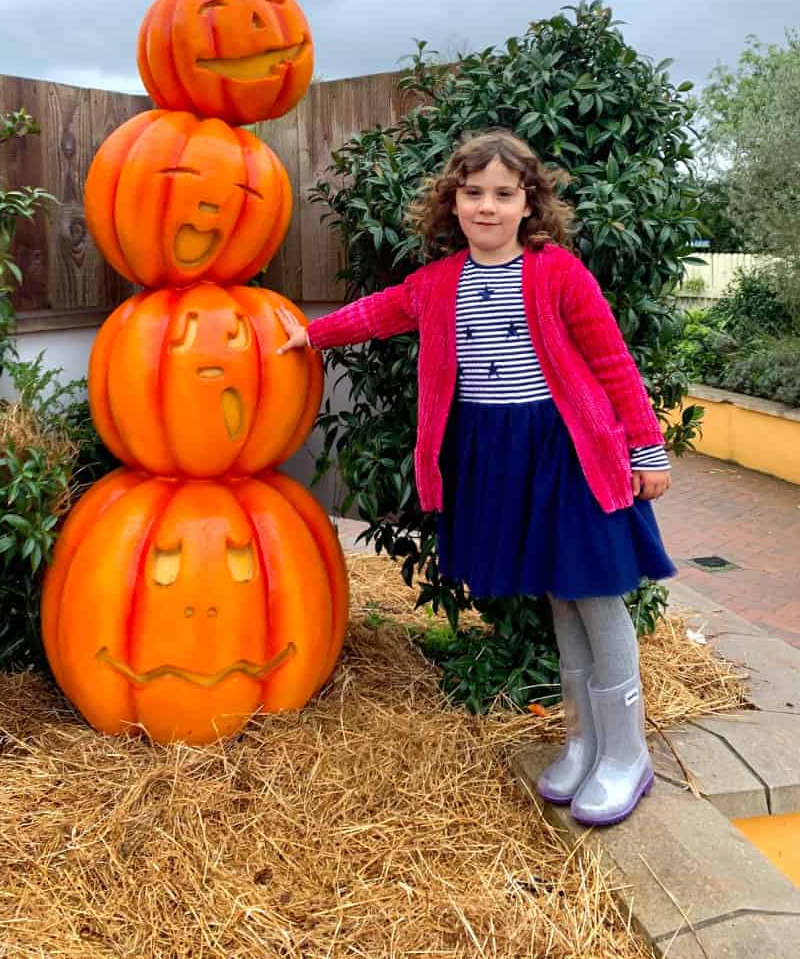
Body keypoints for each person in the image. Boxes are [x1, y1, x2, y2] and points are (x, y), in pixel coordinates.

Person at [277, 127, 675, 828]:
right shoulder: (438, 283)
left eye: (503, 193)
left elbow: (612, 361)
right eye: (473, 192)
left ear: (529, 204)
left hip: (569, 450)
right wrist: (312, 333)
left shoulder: (558, 274)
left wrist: (646, 448)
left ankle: (628, 754)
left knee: (597, 593)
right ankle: (584, 740)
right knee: (560, 593)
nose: (486, 206)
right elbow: (378, 312)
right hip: (501, 455)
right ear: (452, 203)